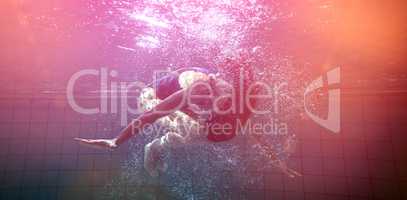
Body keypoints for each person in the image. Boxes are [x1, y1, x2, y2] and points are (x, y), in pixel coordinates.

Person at [75, 57, 301, 177]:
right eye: (202, 102)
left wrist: (278, 162)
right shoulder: (194, 91)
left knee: (203, 128)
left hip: (186, 93)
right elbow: (151, 114)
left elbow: (252, 131)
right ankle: (154, 147)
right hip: (151, 96)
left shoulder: (233, 95)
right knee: (193, 132)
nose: (215, 106)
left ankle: (163, 143)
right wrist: (117, 141)